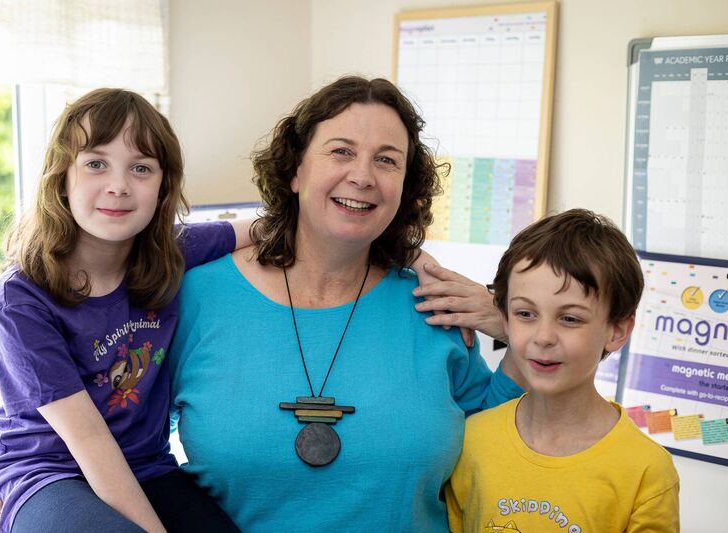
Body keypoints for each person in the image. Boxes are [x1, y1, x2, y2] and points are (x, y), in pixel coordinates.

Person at [167, 75, 524, 532]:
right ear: (296, 170)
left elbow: (505, 434)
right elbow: (132, 441)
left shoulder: (434, 304)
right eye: (341, 151)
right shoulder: (198, 296)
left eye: (387, 160)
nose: (362, 176)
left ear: (405, 187)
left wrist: (512, 328)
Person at [0, 89, 246, 533]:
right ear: (61, 177)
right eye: (95, 163)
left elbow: (266, 229)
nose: (119, 185)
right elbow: (87, 441)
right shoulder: (22, 298)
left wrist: (408, 256)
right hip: (50, 474)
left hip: (148, 465)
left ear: (163, 186)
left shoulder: (173, 253)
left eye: (141, 168)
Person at [445, 209, 680, 532]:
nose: (543, 337)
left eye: (570, 318)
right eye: (526, 313)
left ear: (616, 331)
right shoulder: (470, 440)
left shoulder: (646, 470)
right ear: (505, 318)